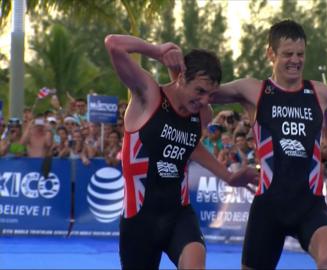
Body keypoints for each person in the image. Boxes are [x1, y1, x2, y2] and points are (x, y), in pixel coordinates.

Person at [199, 20, 327, 269]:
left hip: (309, 204)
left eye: (300, 54)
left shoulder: (321, 93)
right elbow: (203, 93)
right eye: (287, 54)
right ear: (270, 54)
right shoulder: (253, 90)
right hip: (269, 206)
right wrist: (178, 76)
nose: (295, 60)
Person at [104, 34, 257, 270]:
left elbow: (193, 147)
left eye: (210, 95)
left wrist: (228, 176)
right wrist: (157, 51)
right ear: (182, 78)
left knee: (195, 262)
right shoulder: (149, 96)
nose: (205, 101)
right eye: (200, 91)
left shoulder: (200, 114)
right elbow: (113, 44)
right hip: (140, 219)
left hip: (178, 214)